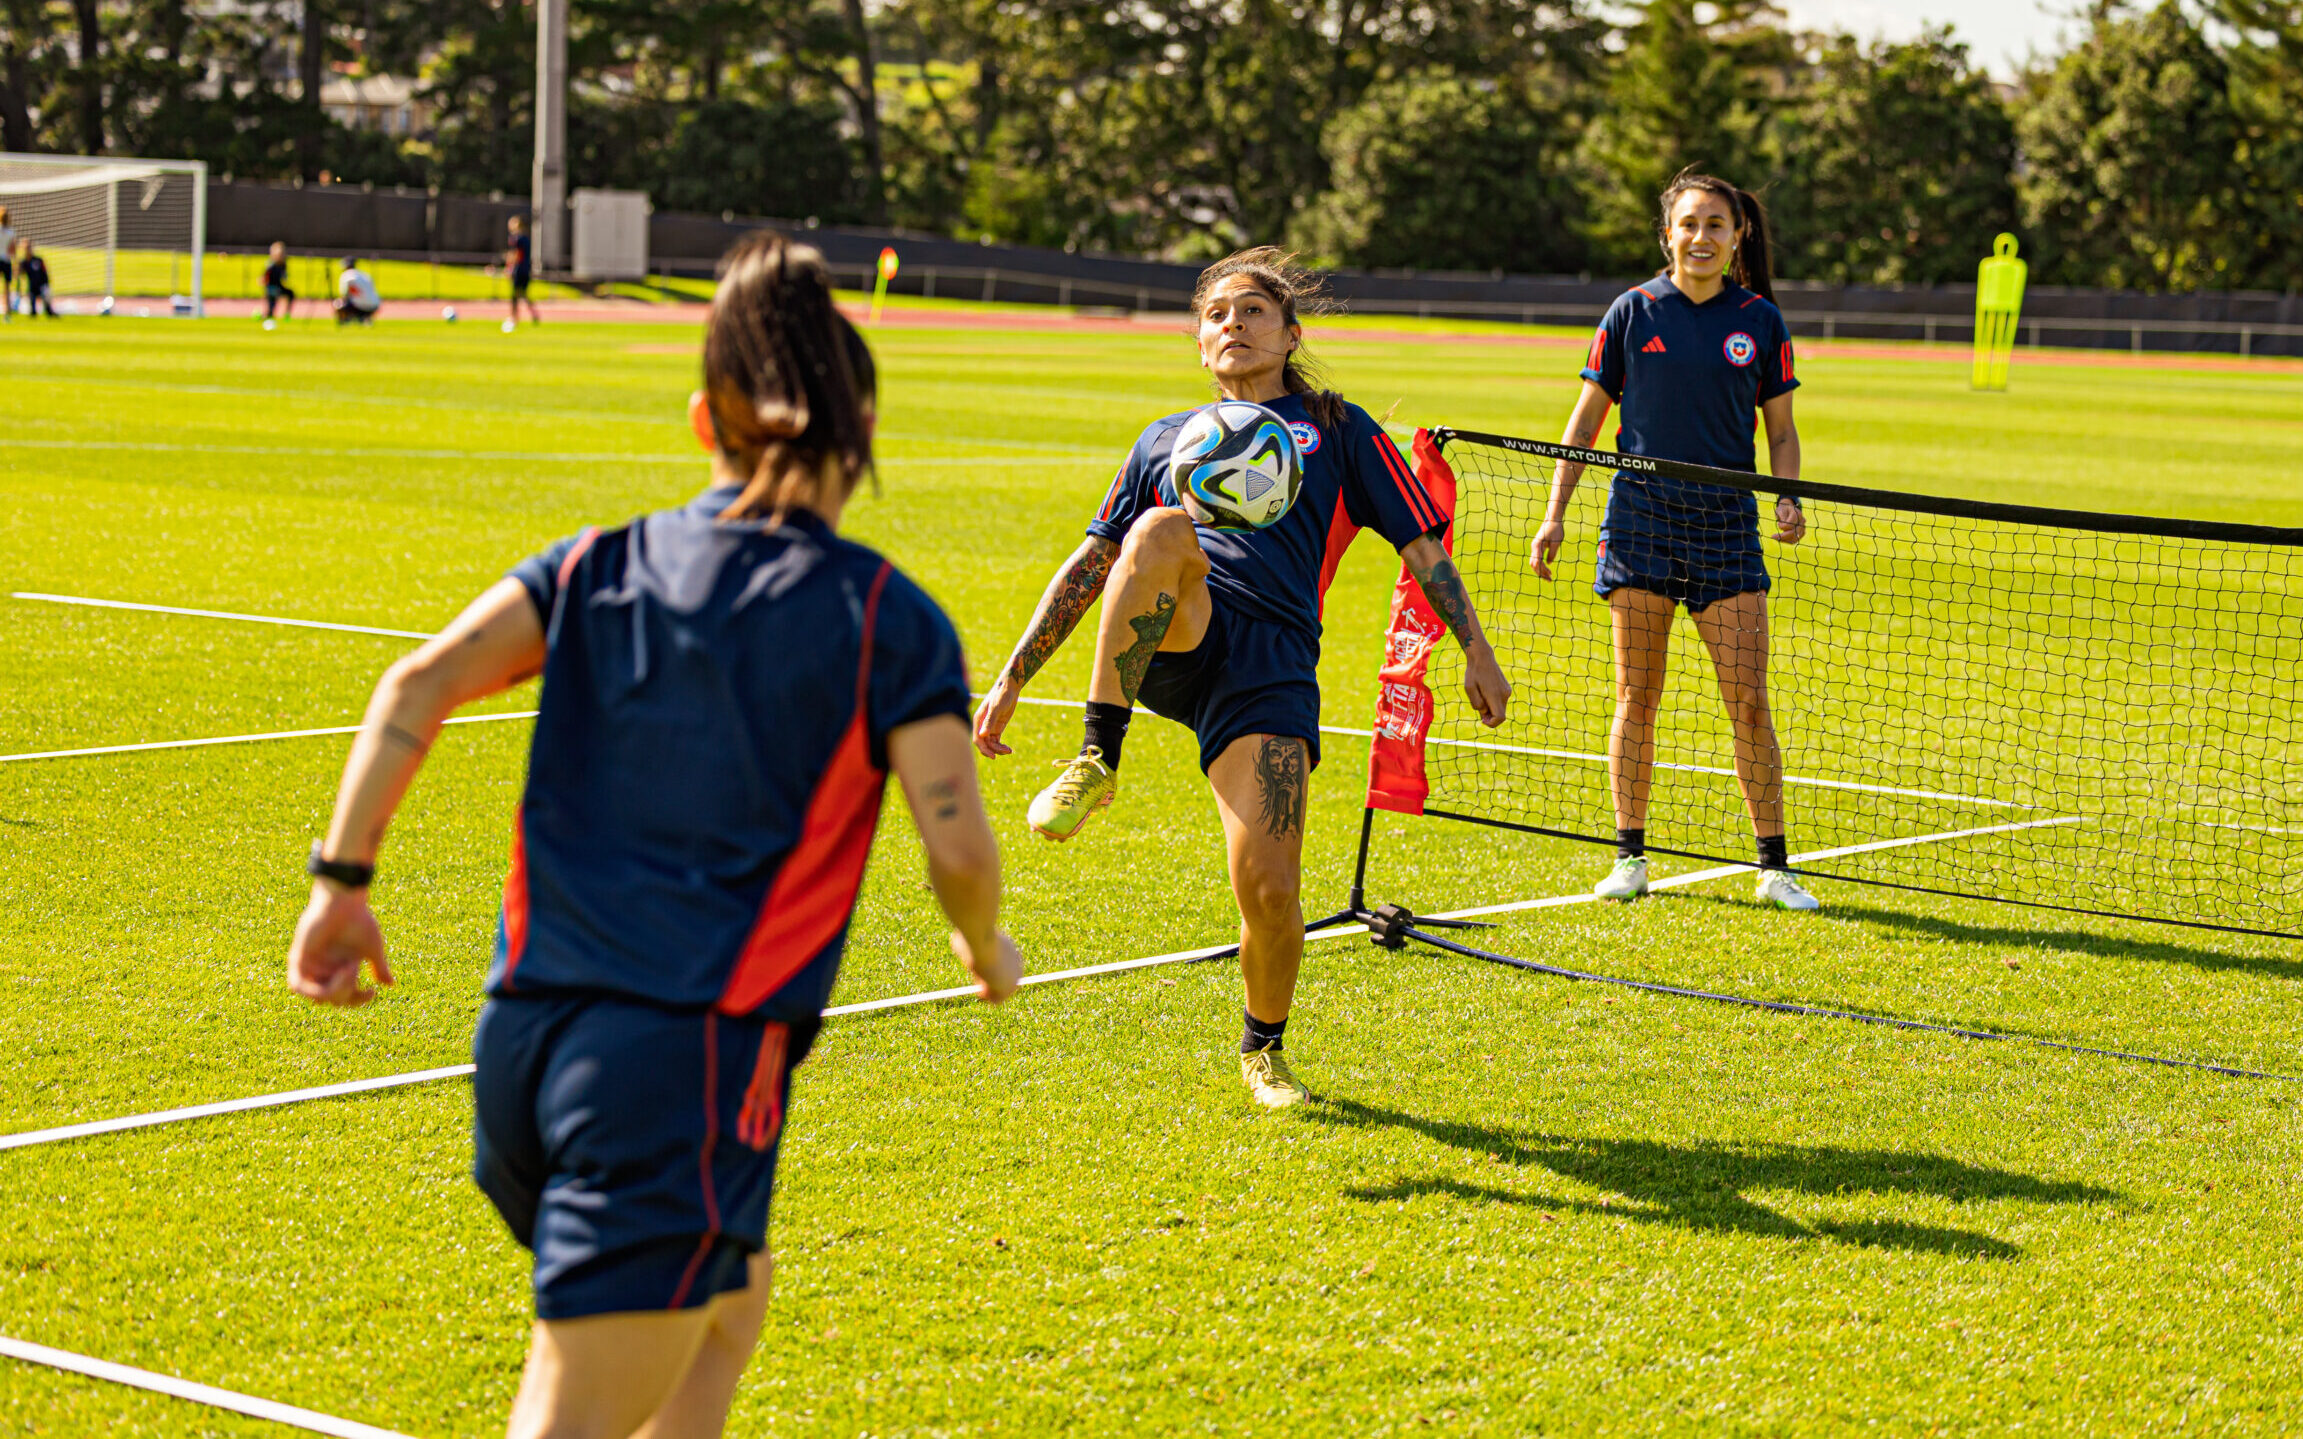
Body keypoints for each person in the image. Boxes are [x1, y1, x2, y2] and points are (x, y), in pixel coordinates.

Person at [286, 232, 1023, 1439]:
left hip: (524, 1048)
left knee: (729, 1307)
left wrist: (341, 882)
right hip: (678, 1071)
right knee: (570, 1416)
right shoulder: (886, 613)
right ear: (863, 434)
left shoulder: (593, 564)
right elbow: (957, 844)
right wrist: (984, 944)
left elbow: (413, 685)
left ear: (702, 421)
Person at [972, 247, 1511, 1111]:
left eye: (1253, 311)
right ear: (1199, 341)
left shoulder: (1337, 426)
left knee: (1270, 889)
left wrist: (1476, 650)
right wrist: (1009, 677)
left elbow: (1420, 546)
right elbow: (1092, 563)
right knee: (1155, 532)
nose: (1234, 325)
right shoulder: (1165, 439)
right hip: (1181, 633)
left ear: (1290, 333)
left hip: (1272, 669)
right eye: (1217, 314)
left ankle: (1264, 1048)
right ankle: (1096, 756)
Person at [1529, 167, 1815, 910]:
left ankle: (1775, 866)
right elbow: (1586, 423)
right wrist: (1555, 513)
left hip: (1726, 529)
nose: (1701, 237)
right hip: (1640, 525)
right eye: (1688, 224)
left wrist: (1786, 495)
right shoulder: (1630, 312)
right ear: (1667, 235)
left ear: (1737, 235)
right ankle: (1630, 856)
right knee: (1637, 695)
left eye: (1715, 224)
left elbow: (1780, 433)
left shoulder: (1760, 321)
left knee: (1748, 700)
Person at [503, 215, 539, 329]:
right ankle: (534, 314)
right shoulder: (526, 239)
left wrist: (509, 268)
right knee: (523, 294)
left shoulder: (515, 239)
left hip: (518, 269)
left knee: (514, 295)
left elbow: (515, 255)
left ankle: (514, 317)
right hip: (526, 269)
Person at [334, 257, 381, 325]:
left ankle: (345, 320)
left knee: (337, 303)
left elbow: (344, 295)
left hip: (358, 306)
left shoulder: (346, 275)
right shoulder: (365, 275)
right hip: (374, 306)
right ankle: (364, 318)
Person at [14, 239, 54, 318]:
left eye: (29, 248)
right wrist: (17, 267)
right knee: (33, 311)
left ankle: (50, 313)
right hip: (32, 286)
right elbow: (17, 274)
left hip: (42, 284)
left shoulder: (38, 260)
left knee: (48, 308)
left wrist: (46, 285)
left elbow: (45, 272)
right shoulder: (24, 262)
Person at [263, 242, 296, 322]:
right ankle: (269, 314)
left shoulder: (283, 265)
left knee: (290, 293)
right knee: (272, 297)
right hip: (271, 287)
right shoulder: (271, 265)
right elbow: (266, 277)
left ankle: (286, 314)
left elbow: (284, 277)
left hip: (279, 286)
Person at [0, 207, 16, 321]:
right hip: (6, 260)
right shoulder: (11, 232)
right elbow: (12, 250)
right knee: (7, 289)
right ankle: (7, 314)